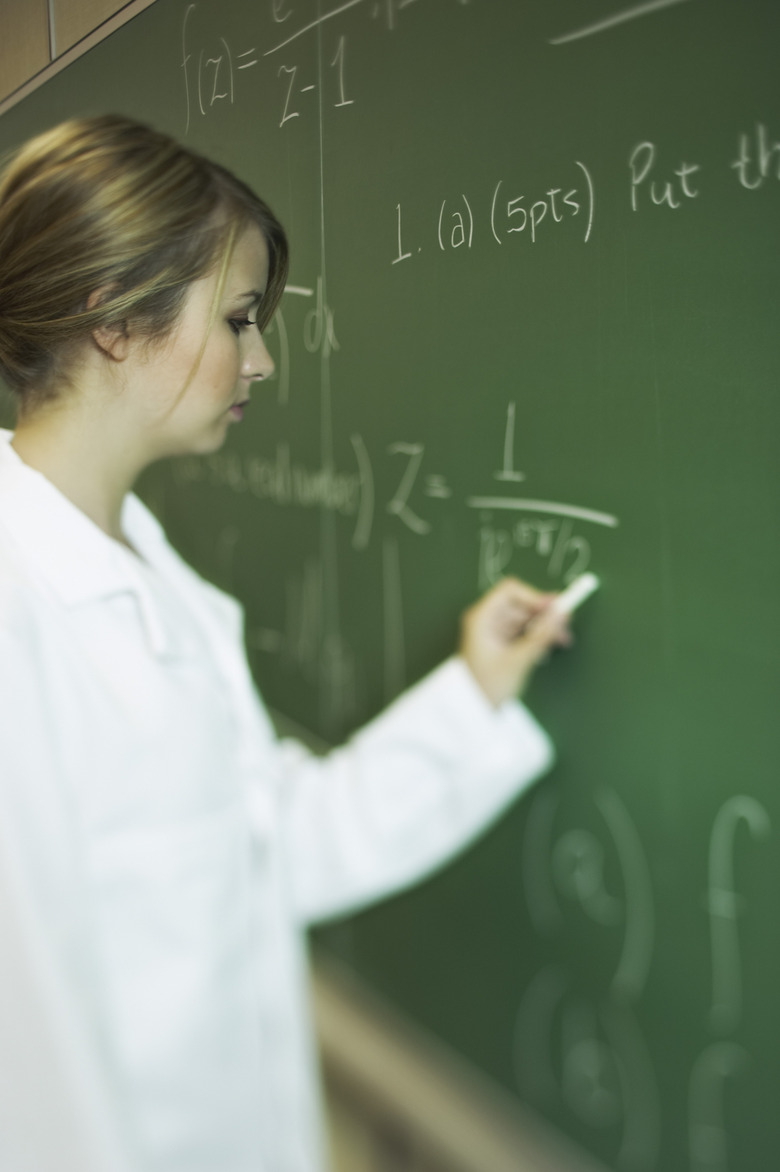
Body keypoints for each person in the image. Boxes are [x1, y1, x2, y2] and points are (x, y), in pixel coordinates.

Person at [0, 115, 572, 1172]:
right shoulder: (19, 614)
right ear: (117, 320)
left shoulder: (146, 575)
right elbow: (29, 1060)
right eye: (239, 318)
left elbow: (268, 848)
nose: (259, 358)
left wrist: (474, 693)